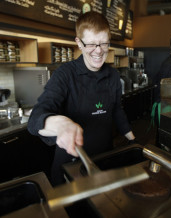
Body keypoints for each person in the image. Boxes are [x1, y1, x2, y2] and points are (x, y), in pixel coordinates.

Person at [27, 12, 135, 186]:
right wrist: (61, 125)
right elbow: (35, 119)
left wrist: (132, 140)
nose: (99, 50)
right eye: (91, 44)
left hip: (105, 159)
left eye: (104, 43)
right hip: (71, 167)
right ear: (79, 43)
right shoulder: (65, 74)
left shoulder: (113, 75)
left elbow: (116, 110)